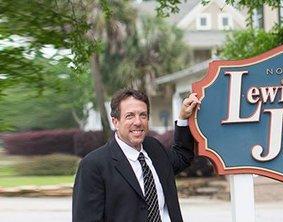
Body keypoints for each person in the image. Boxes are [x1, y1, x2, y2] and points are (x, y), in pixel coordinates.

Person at [73, 89, 199, 222]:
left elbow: (182, 156)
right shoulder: (93, 165)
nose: (138, 122)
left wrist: (183, 118)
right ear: (115, 121)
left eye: (143, 115)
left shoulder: (154, 148)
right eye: (130, 116)